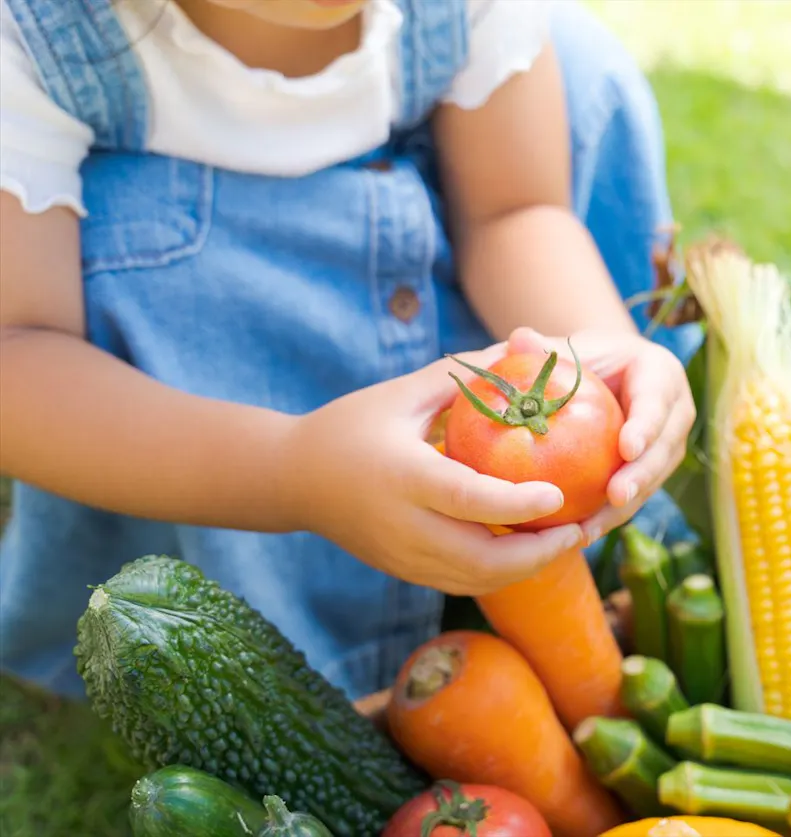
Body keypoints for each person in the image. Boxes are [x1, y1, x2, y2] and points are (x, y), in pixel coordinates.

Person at [0, 0, 700, 701]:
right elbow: (17, 353)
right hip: (197, 446)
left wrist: (598, 356)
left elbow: (514, 212)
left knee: (582, 68)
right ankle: (323, 676)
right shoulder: (33, 37)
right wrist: (294, 471)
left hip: (444, 311)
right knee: (141, 233)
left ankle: (626, 567)